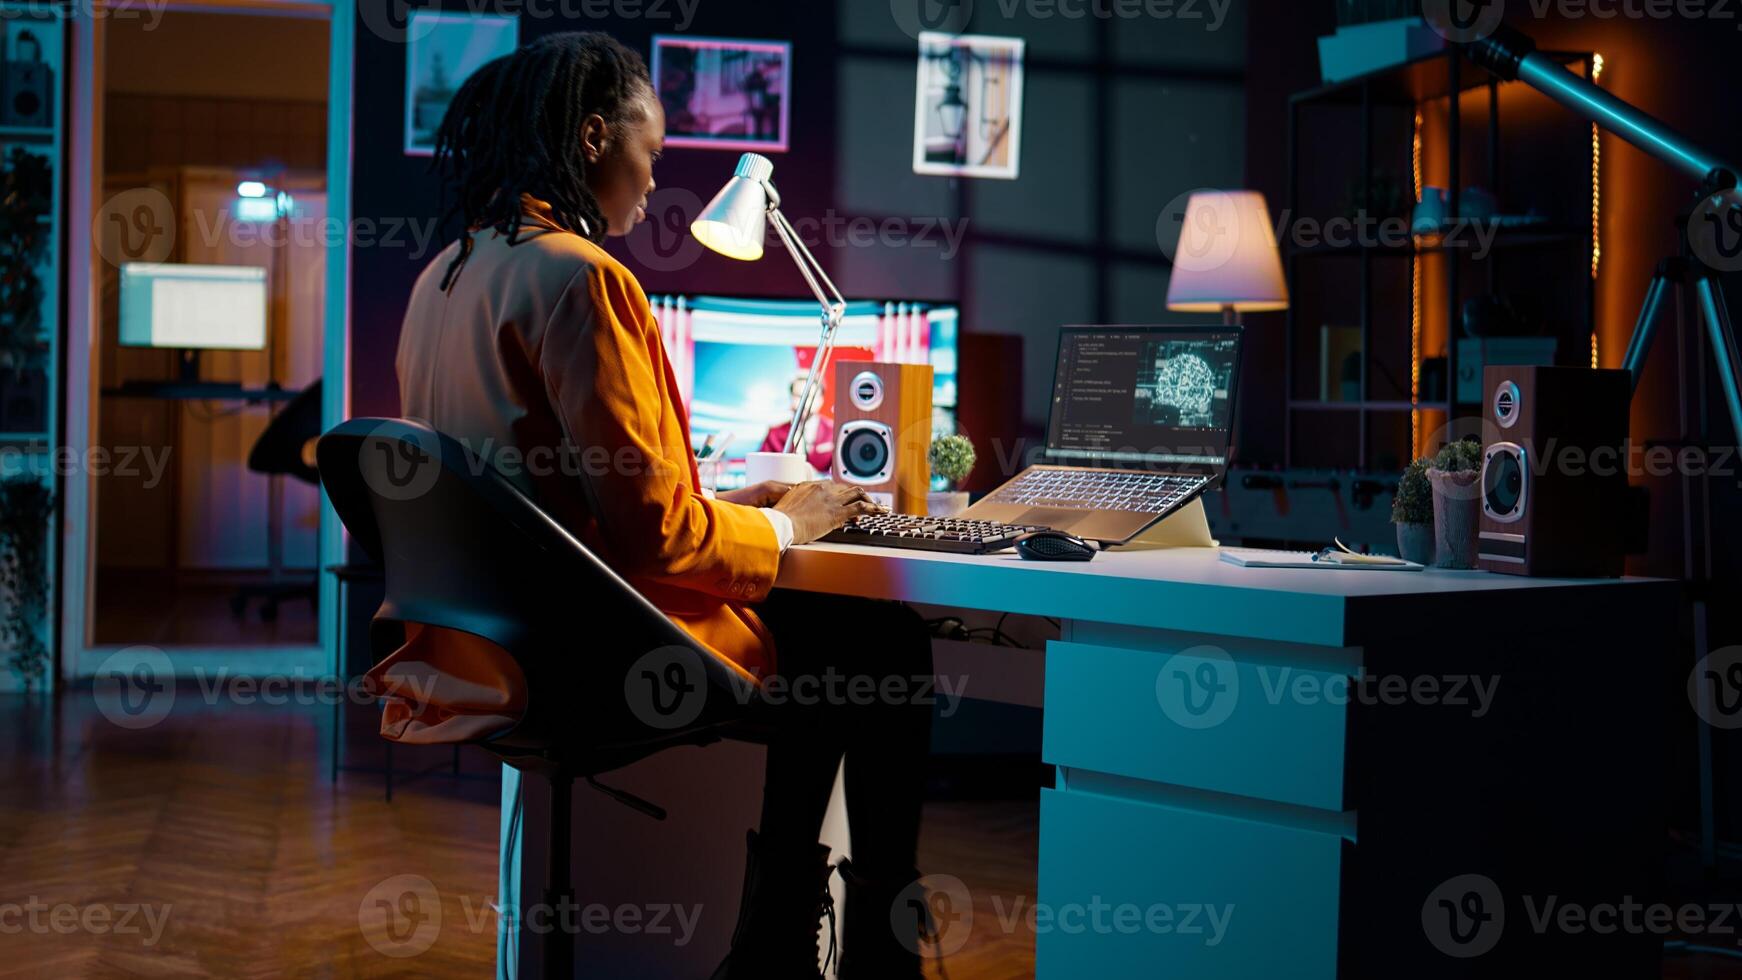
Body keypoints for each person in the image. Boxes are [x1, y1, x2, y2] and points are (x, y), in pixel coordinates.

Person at [395, 32, 935, 979]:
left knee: (838, 639)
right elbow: (656, 535)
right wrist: (788, 522)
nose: (654, 184)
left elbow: (551, 492)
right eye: (650, 152)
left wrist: (728, 500)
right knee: (880, 641)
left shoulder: (445, 275)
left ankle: (774, 945)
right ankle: (851, 953)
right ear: (597, 138)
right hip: (586, 651)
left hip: (483, 645)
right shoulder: (585, 279)